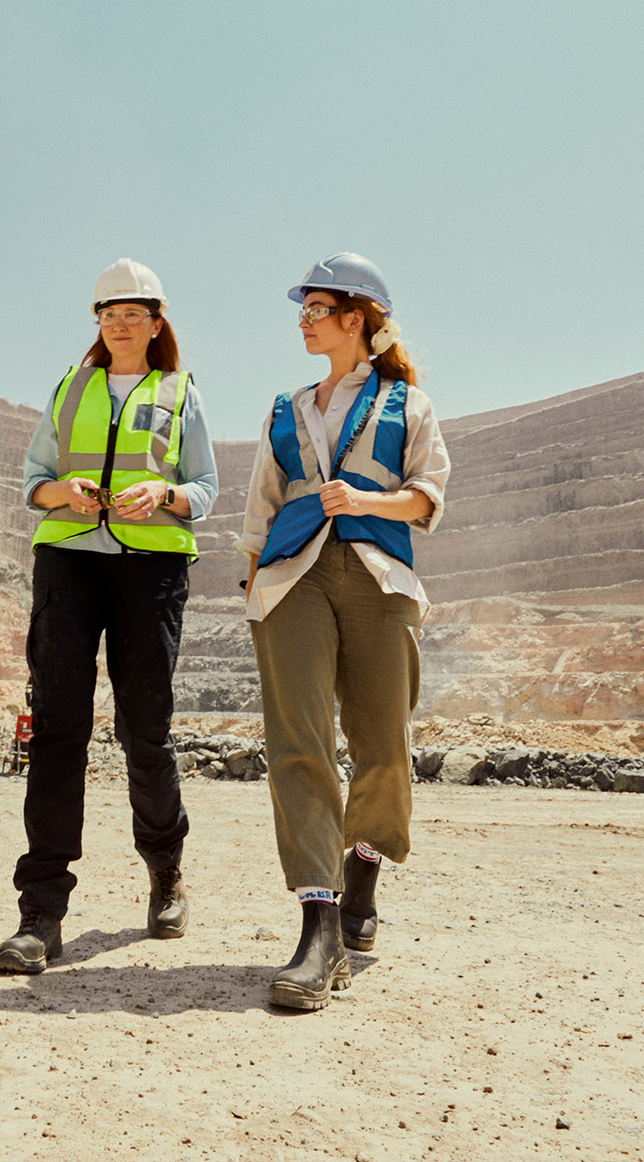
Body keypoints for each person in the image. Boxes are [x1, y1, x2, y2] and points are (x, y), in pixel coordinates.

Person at [0, 259, 218, 975]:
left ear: (157, 323)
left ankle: (165, 870)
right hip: (69, 563)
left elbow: (205, 486)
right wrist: (63, 492)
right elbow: (32, 483)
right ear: (98, 322)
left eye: (134, 313)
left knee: (143, 731)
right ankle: (41, 913)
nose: (120, 323)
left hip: (149, 570)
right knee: (58, 728)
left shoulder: (181, 392)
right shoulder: (71, 385)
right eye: (108, 313)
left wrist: (167, 494)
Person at [240, 253, 450, 1011]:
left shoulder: (406, 405)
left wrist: (367, 498)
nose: (304, 321)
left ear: (354, 319)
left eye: (315, 309)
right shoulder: (285, 407)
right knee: (296, 743)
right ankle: (319, 925)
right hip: (291, 576)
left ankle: (364, 864)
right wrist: (254, 579)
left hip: (378, 580)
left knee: (383, 744)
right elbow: (263, 501)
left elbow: (428, 497)